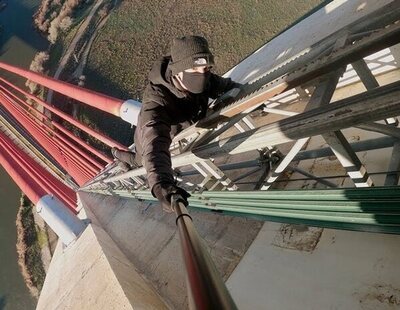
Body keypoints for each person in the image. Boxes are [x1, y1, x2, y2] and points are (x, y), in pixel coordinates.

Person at [112, 35, 241, 212]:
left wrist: (232, 100)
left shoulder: (203, 78)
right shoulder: (156, 103)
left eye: (207, 68)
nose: (202, 75)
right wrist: (162, 185)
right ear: (177, 71)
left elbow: (230, 86)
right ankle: (117, 154)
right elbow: (155, 148)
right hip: (151, 137)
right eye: (196, 70)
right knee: (139, 161)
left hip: (184, 125)